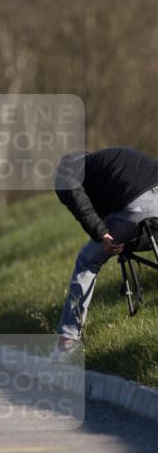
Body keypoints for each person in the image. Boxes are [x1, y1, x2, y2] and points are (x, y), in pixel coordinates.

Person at [51, 146, 158, 361]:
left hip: (135, 208)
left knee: (87, 260)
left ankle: (67, 341)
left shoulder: (68, 172)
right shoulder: (110, 159)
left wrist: (101, 234)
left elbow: (78, 201)